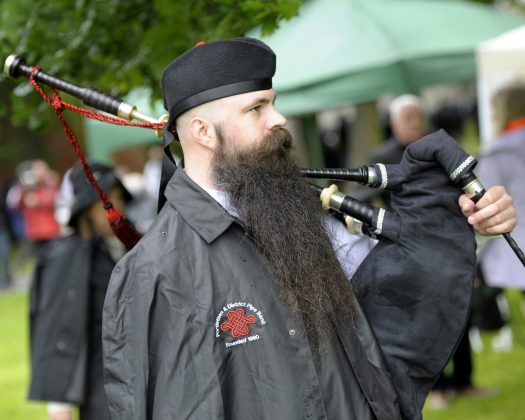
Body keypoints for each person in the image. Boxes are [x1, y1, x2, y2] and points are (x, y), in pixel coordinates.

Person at [102, 38, 517, 420]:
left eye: (273, 103)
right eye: (256, 108)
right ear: (202, 132)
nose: (278, 118)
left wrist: (469, 220)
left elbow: (394, 285)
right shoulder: (151, 274)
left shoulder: (298, 213)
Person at [28, 162, 131, 420]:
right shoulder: (65, 259)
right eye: (109, 200)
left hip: (136, 385)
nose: (118, 207)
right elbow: (57, 331)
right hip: (101, 396)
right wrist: (59, 408)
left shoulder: (119, 249)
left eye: (119, 198)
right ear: (88, 207)